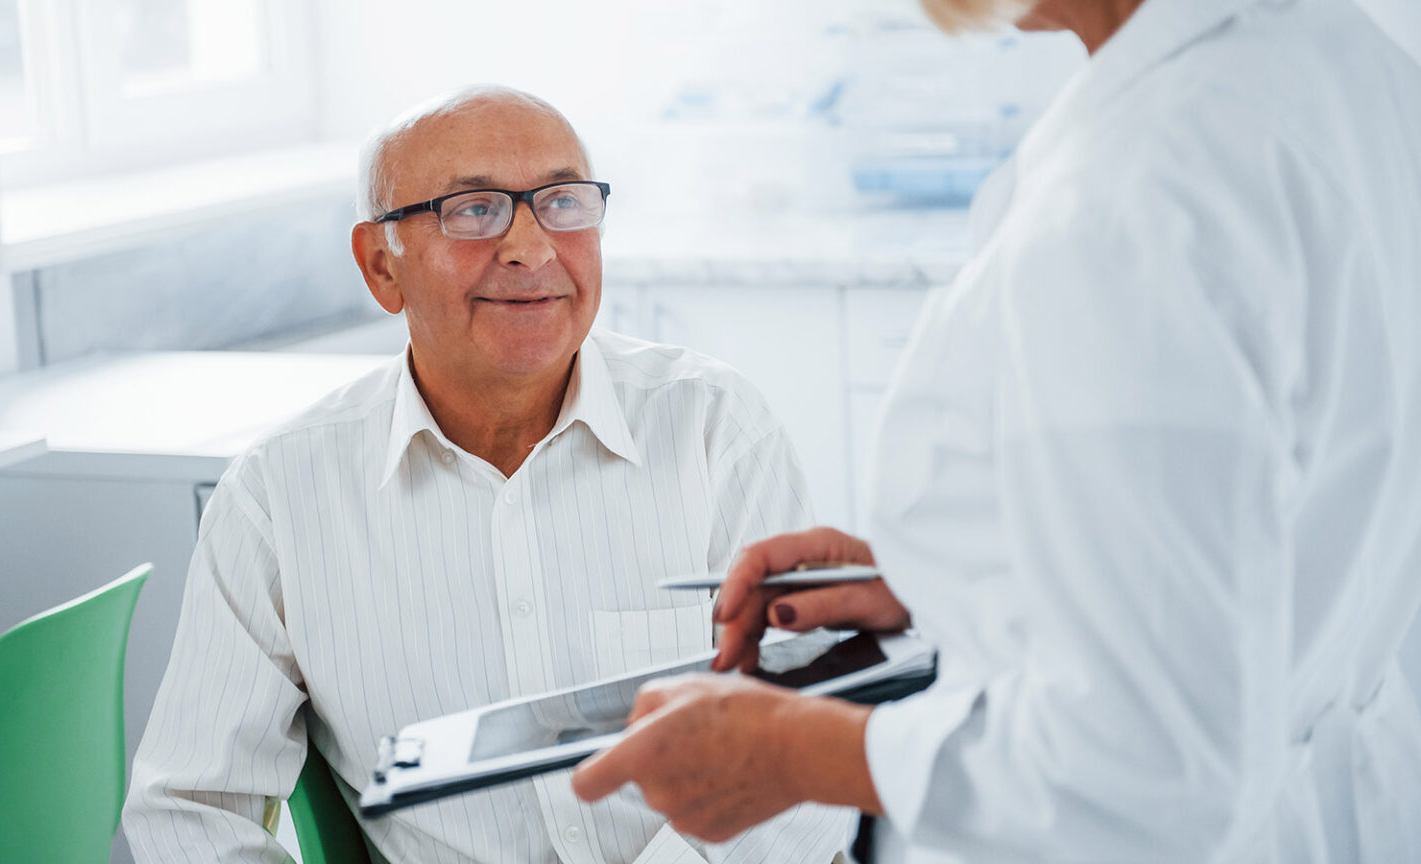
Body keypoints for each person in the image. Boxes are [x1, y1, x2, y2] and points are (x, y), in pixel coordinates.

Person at [571, 0, 1421, 860]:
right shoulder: (1348, 67)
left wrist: (792, 750)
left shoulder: (1132, 199)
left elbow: (1152, 771)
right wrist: (969, 582)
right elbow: (1287, 528)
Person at [122, 86, 851, 863]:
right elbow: (191, 810)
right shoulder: (278, 498)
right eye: (473, 210)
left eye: (564, 202)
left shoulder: (715, 428)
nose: (532, 248)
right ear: (380, 265)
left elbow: (811, 744)